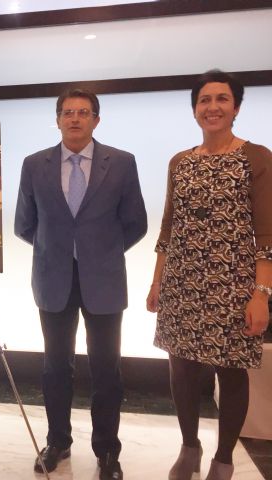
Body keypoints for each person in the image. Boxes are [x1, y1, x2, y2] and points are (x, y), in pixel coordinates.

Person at [15, 89, 147, 480]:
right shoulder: (34, 164)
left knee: (107, 369)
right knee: (55, 367)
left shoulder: (121, 163)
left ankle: (107, 450)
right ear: (57, 119)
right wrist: (59, 250)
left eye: (83, 112)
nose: (75, 118)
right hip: (53, 278)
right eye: (67, 112)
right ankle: (58, 441)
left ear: (96, 120)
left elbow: (136, 222)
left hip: (104, 279)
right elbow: (24, 224)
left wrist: (98, 252)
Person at [146, 70, 272, 480]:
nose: (212, 107)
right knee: (181, 368)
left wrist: (261, 294)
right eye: (204, 100)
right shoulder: (180, 163)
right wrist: (157, 281)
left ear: (236, 108)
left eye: (222, 99)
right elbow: (168, 227)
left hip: (233, 285)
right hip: (182, 282)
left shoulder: (256, 157)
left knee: (231, 371)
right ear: (195, 109)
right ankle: (189, 447)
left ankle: (224, 458)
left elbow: (267, 233)